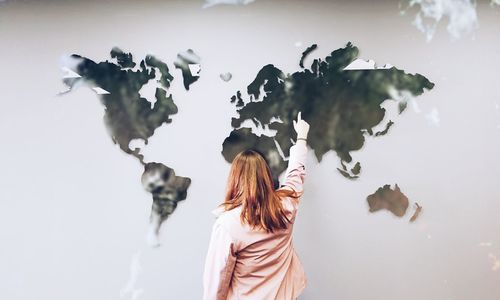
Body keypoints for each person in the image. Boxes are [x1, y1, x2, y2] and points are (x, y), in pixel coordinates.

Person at [203, 112, 310, 300]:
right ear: (266, 177)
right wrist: (301, 137)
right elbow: (295, 176)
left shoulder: (228, 225)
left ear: (235, 179)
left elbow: (217, 281)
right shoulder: (285, 207)